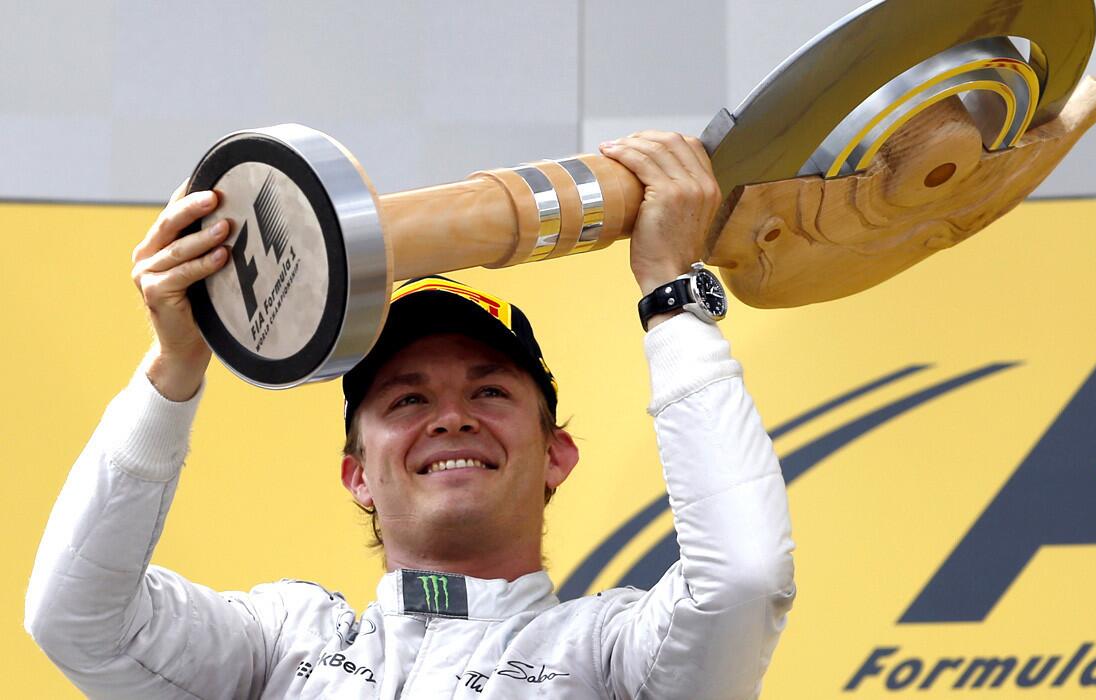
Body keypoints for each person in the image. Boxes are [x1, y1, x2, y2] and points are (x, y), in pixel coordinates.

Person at [26, 131, 795, 698]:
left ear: (556, 453)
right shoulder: (281, 648)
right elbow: (76, 619)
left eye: (490, 391)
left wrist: (671, 296)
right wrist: (177, 364)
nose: (451, 417)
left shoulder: (609, 658)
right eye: (408, 399)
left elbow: (743, 581)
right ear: (356, 474)